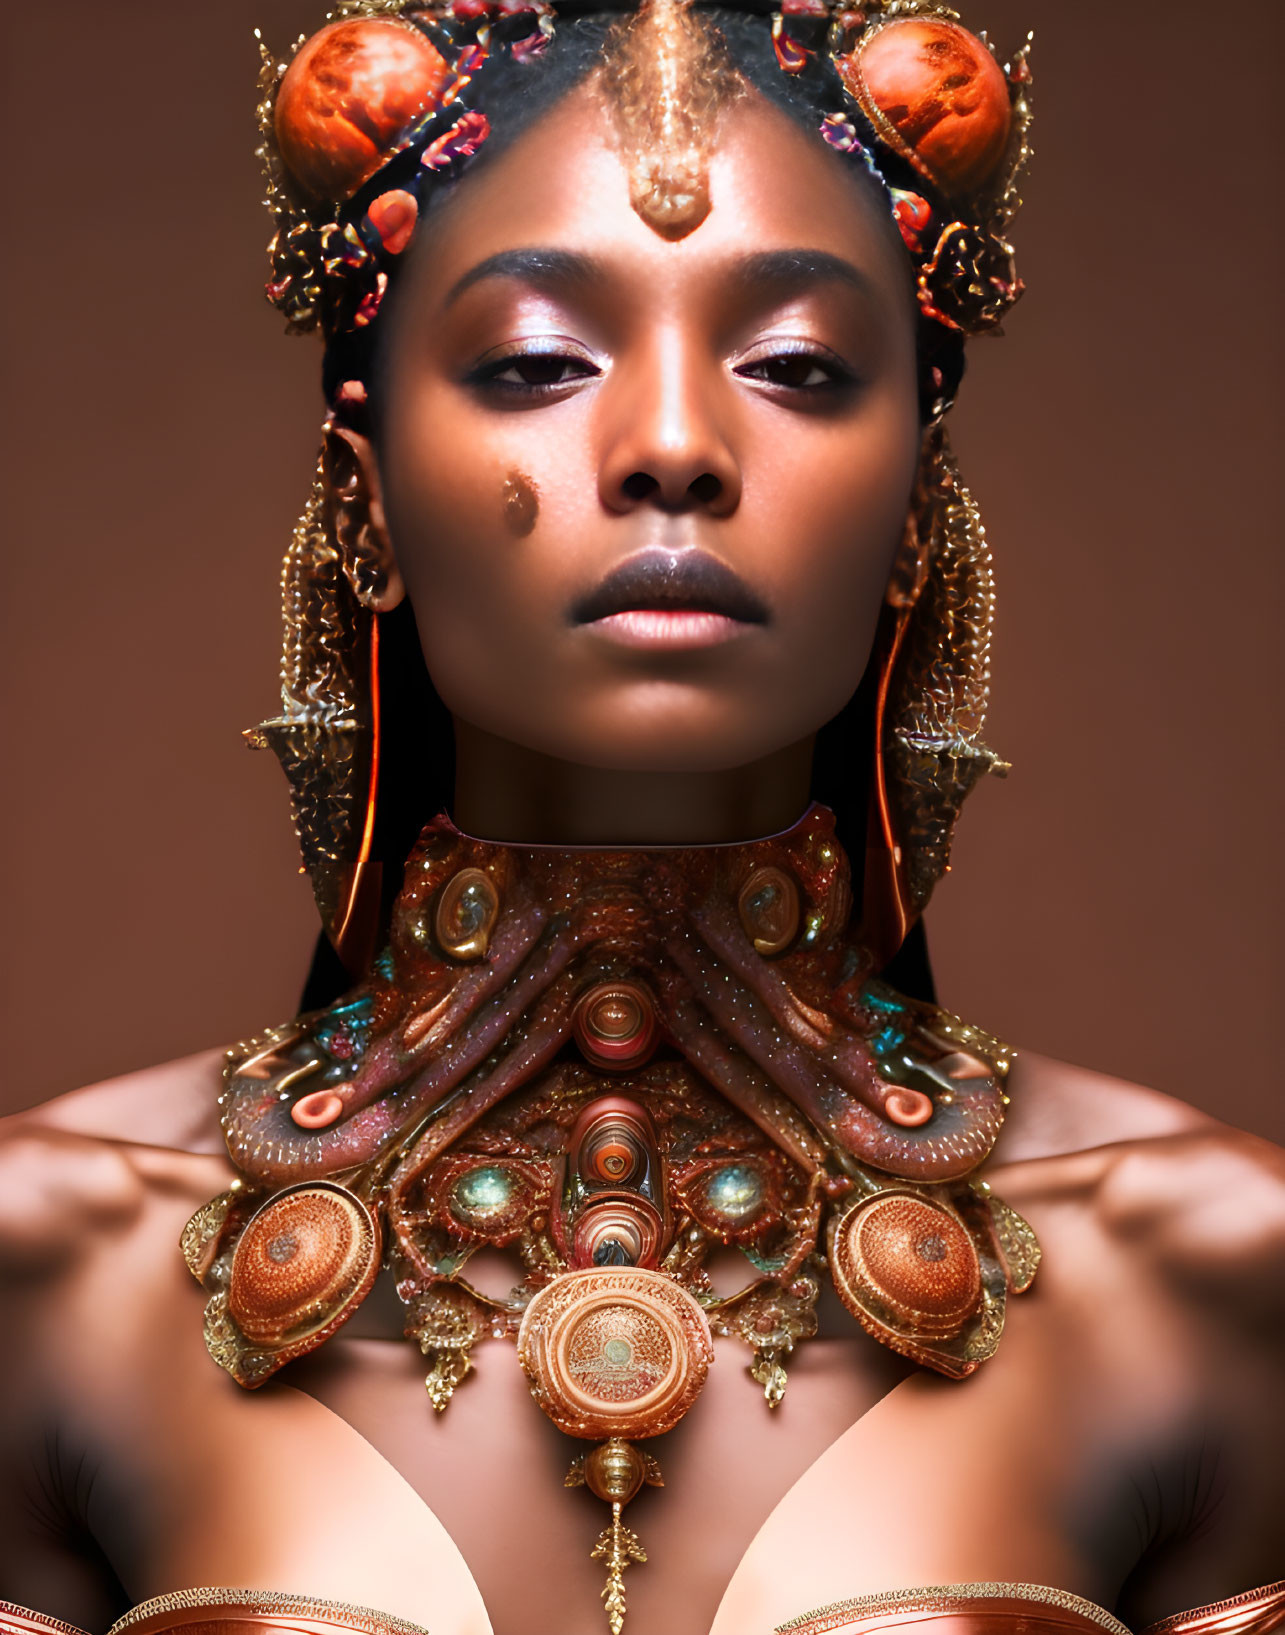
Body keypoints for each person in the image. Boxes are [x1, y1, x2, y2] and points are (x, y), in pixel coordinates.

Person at [1, 4, 1281, 1635]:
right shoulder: (56, 1265)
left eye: (797, 368)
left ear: (913, 511)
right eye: (536, 361)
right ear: (364, 499)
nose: (672, 445)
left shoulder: (1201, 1272)